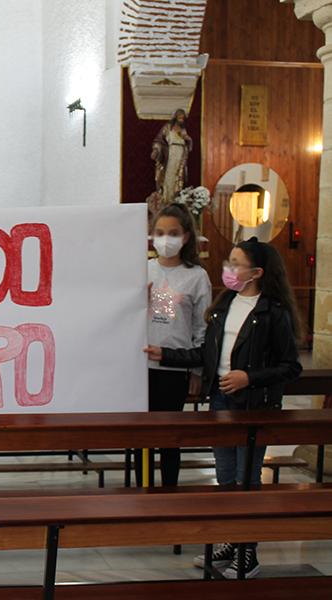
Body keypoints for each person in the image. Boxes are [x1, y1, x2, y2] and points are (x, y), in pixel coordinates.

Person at [146, 236, 302, 579]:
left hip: (253, 406)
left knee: (247, 480)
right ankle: (232, 540)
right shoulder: (224, 304)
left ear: (257, 272)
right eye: (228, 262)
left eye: (235, 263)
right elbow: (206, 355)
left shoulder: (273, 312)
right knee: (226, 477)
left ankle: (249, 553)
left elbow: (291, 366)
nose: (228, 269)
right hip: (220, 402)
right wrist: (166, 355)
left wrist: (249, 377)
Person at [135, 204, 211, 487]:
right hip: (140, 366)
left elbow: (201, 327)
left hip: (174, 367)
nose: (166, 239)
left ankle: (169, 492)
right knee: (140, 437)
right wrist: (136, 300)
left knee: (169, 437)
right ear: (151, 236)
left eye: (173, 233)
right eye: (160, 232)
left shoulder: (196, 276)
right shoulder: (143, 269)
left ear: (186, 237)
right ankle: (142, 490)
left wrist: (197, 371)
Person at [152, 108, 193, 208]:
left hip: (181, 155)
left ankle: (175, 199)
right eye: (179, 118)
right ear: (175, 118)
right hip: (170, 154)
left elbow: (189, 144)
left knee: (178, 177)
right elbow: (158, 140)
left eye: (183, 118)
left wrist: (187, 139)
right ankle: (166, 199)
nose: (181, 120)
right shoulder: (167, 127)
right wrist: (156, 150)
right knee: (168, 176)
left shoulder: (183, 130)